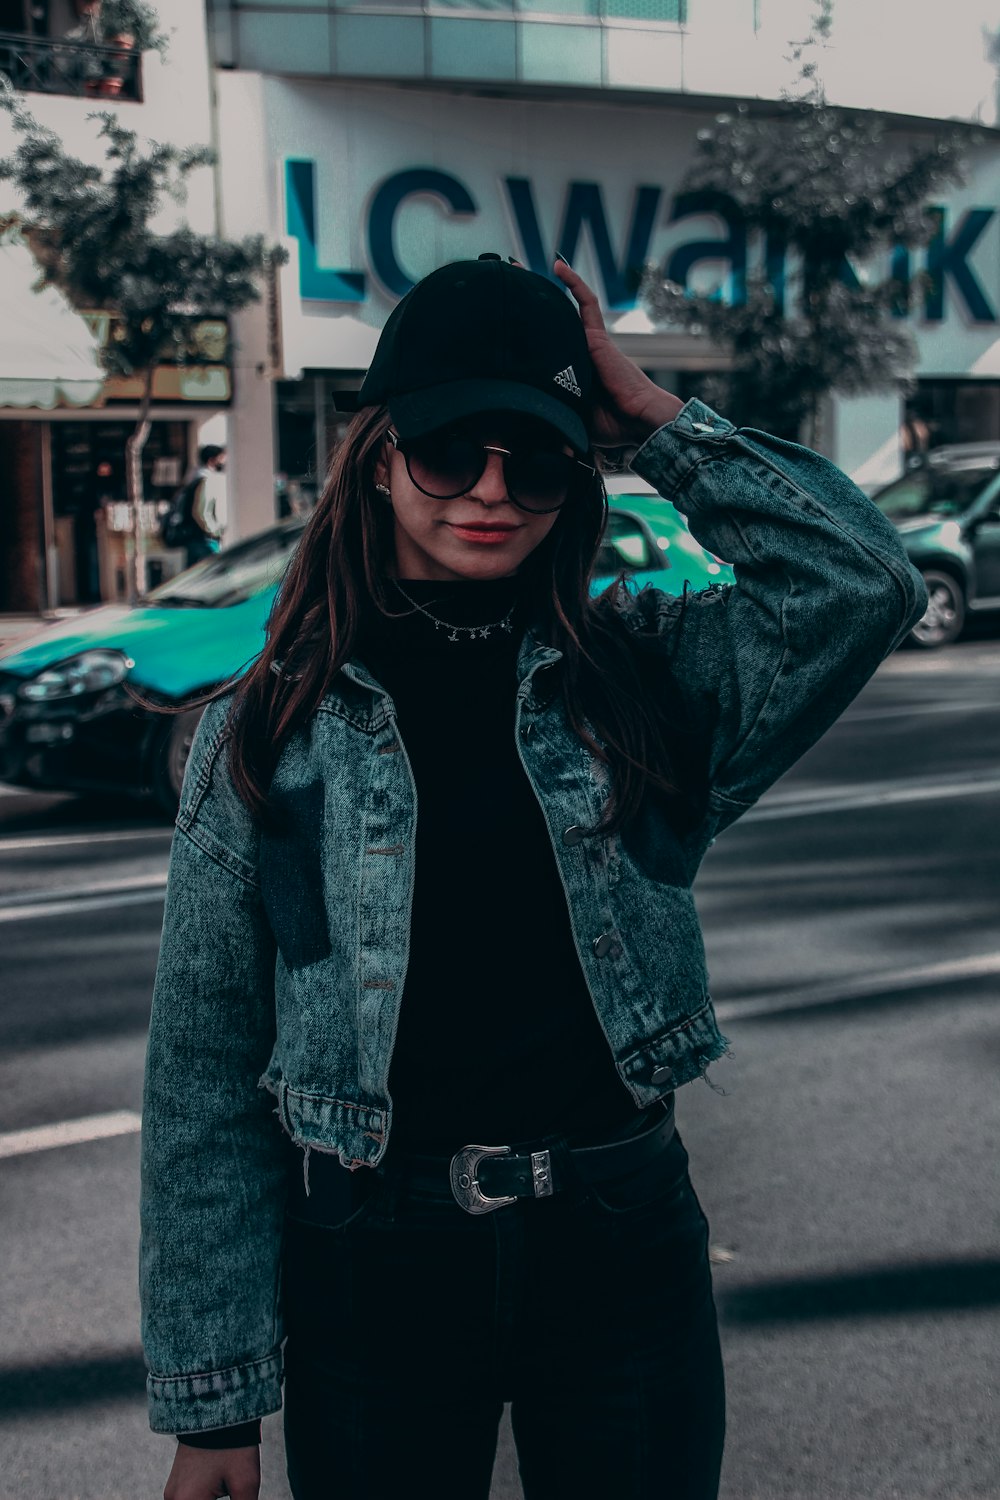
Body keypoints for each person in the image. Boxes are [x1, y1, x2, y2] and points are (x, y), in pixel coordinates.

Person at [140, 254, 927, 1500]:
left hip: (618, 1238)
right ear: (382, 455)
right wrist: (215, 1403)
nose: (493, 494)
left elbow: (862, 585)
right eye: (454, 452)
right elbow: (201, 1079)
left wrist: (654, 419)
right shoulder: (266, 738)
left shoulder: (646, 682)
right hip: (372, 1260)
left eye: (539, 460)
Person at [184, 443, 227, 567]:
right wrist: (214, 530)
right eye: (221, 458)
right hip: (204, 539)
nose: (223, 462)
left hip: (194, 537)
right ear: (212, 460)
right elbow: (200, 512)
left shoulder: (193, 477)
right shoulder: (205, 480)